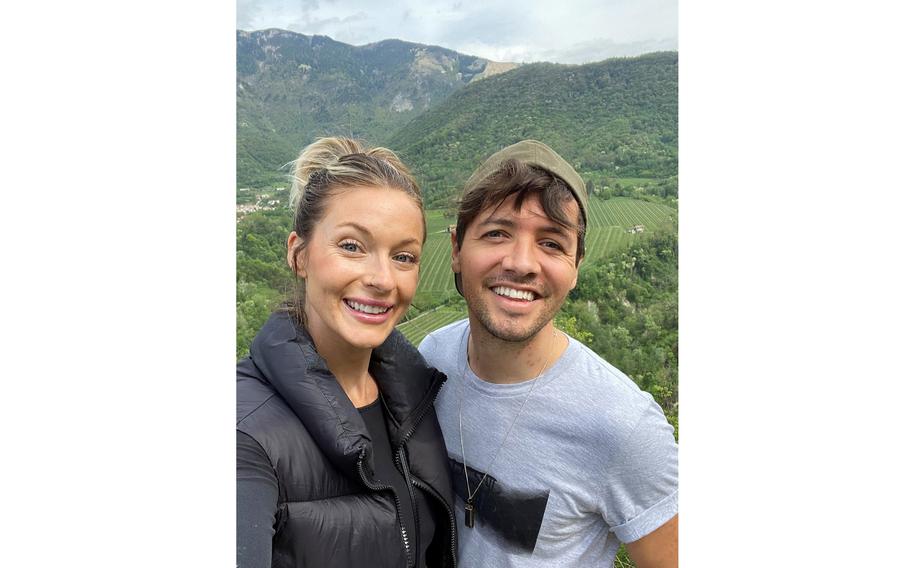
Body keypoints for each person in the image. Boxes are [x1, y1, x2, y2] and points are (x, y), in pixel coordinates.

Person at [418, 140, 678, 567]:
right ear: (456, 251)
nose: (522, 263)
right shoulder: (433, 359)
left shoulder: (624, 426)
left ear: (576, 267)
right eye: (497, 233)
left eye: (552, 243)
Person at [237, 137, 457, 568]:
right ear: (299, 255)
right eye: (352, 246)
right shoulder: (245, 433)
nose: (382, 279)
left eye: (404, 256)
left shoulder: (415, 393)